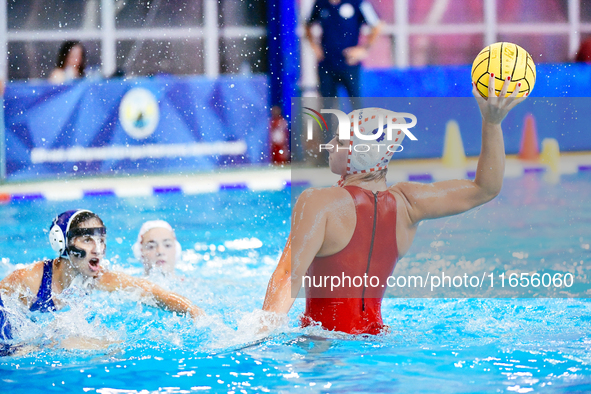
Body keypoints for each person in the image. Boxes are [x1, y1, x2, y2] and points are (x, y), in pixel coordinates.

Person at [262, 75, 527, 334]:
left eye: (341, 142)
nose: (330, 145)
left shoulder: (318, 202)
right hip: (377, 344)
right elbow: (485, 189)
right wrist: (492, 124)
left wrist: (260, 335)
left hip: (323, 349)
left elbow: (288, 274)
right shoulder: (409, 205)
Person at [0, 210, 203, 353]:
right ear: (61, 242)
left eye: (101, 240)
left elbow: (154, 293)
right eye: (87, 240)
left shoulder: (96, 277)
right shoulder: (29, 280)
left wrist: (194, 312)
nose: (98, 248)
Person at [305, 0, 382, 98]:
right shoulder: (320, 3)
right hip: (327, 63)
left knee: (357, 104)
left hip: (349, 63)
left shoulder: (358, 2)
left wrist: (364, 49)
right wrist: (314, 46)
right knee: (327, 106)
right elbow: (307, 24)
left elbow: (377, 25)